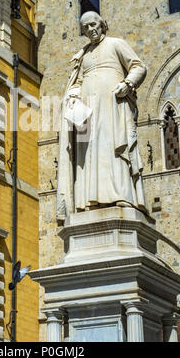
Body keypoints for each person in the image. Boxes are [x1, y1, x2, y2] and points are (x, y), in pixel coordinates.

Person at [56, 11, 148, 219]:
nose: (90, 29)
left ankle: (121, 195)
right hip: (87, 113)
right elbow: (77, 83)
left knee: (113, 148)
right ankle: (89, 199)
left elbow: (138, 66)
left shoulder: (116, 44)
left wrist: (128, 84)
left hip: (111, 105)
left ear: (102, 24)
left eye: (93, 24)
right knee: (88, 155)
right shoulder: (84, 55)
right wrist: (72, 95)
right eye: (86, 27)